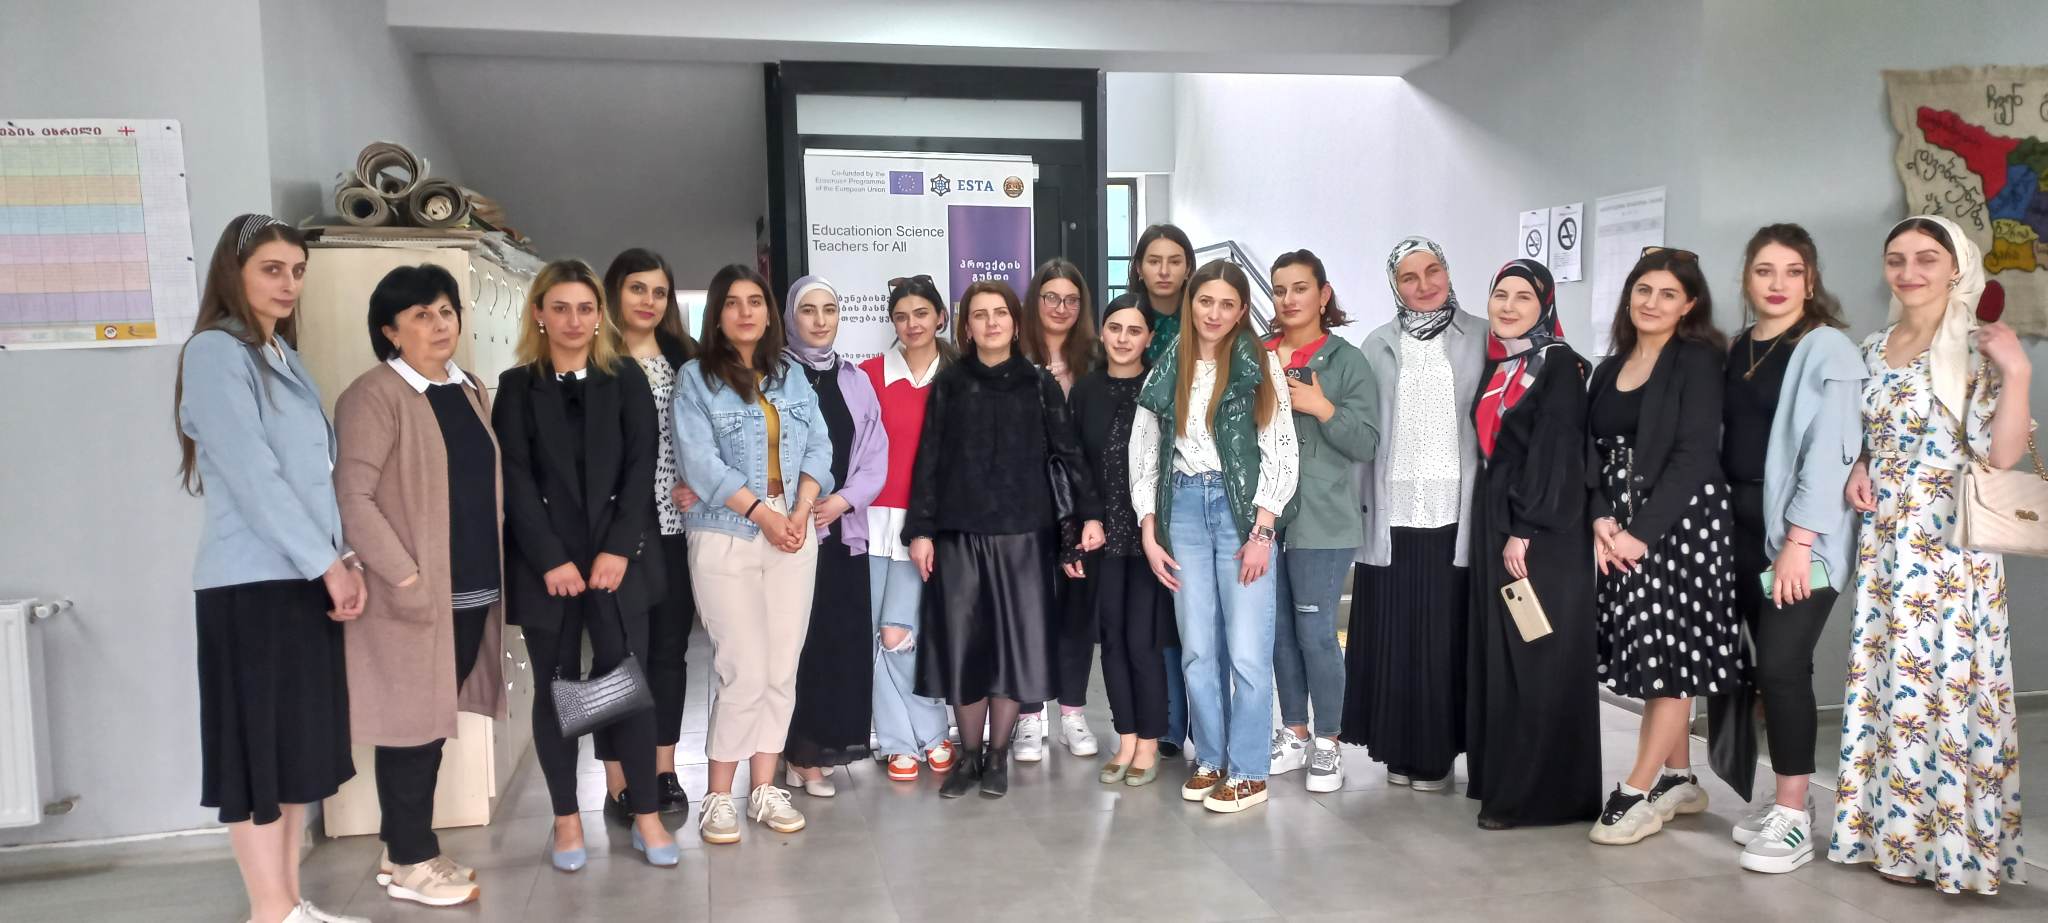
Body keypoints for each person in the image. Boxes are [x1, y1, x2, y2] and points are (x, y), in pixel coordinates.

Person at [175, 214, 366, 923]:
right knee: (258, 759)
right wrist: (328, 564)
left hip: (299, 579)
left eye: (297, 270)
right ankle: (269, 910)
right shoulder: (215, 353)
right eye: (272, 269)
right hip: (250, 585)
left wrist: (340, 557)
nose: (288, 284)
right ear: (235, 272)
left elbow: (315, 477)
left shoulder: (282, 354)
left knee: (291, 754)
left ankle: (288, 904)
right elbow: (256, 478)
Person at [1831, 216, 2031, 894]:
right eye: (1896, 259)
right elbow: (1865, 435)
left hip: (1951, 544)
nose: (1909, 271)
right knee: (1891, 681)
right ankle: (1890, 840)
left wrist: (2018, 371)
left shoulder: (1977, 345)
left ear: (1956, 266)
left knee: (1945, 686)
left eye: (1926, 258)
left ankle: (1953, 850)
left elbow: (2002, 455)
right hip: (1886, 541)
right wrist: (1859, 464)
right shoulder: (1872, 346)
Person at [493, 260, 677, 870]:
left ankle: (646, 814)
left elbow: (641, 467)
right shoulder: (516, 387)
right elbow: (516, 480)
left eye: (585, 308)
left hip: (619, 564)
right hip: (547, 569)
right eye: (561, 308)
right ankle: (567, 821)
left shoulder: (624, 379)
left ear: (600, 316)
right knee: (559, 691)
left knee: (627, 687)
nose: (574, 320)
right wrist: (551, 559)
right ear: (539, 314)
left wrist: (618, 549)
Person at [334, 264, 506, 907]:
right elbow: (352, 498)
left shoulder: (467, 387)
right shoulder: (374, 396)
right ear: (390, 330)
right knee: (410, 726)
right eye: (421, 315)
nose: (439, 325)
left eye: (446, 311)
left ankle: (403, 846)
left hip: (470, 587)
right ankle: (410, 859)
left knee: (429, 725)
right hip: (413, 597)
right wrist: (405, 576)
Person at [905, 280, 1103, 799]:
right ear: (966, 326)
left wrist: (1086, 518)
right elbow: (929, 460)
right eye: (980, 314)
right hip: (958, 535)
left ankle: (997, 757)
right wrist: (921, 529)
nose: (991, 323)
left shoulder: (1038, 384)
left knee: (1013, 649)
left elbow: (1068, 455)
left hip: (1023, 536)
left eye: (1000, 313)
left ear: (1016, 323)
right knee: (964, 646)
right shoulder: (950, 383)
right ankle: (969, 755)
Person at [1717, 225, 1864, 874]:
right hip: (1739, 527)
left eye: (1793, 271)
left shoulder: (1827, 347)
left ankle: (1796, 816)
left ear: (1811, 280)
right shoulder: (1739, 346)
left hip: (1803, 534)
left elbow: (1832, 452)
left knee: (1781, 665)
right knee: (1769, 670)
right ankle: (1785, 800)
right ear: (1746, 279)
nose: (1778, 284)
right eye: (1764, 271)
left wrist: (1800, 543)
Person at [672, 264, 836, 842]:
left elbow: (819, 446)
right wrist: (763, 515)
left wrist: (800, 510)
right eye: (733, 303)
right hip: (727, 529)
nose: (746, 312)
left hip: (792, 527)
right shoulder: (696, 379)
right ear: (717, 315)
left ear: (770, 313)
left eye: (756, 301)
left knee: (781, 668)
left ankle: (764, 788)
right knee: (741, 668)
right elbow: (699, 463)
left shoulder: (791, 375)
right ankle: (718, 796)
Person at [1585, 248, 1741, 846]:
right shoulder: (1609, 367)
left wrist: (1639, 533)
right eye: (1644, 290)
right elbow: (1589, 451)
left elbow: (1695, 454)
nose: (1652, 302)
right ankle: (1678, 779)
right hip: (1620, 528)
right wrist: (1601, 517)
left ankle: (1635, 792)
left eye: (1668, 294)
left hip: (1682, 527)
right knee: (1655, 653)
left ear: (1689, 305)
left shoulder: (1697, 361)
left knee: (1671, 658)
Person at [1133, 259, 1298, 814]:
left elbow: (1281, 449)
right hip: (1181, 509)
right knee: (1198, 651)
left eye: (1228, 304)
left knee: (1247, 652)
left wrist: (1263, 530)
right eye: (1206, 301)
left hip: (1240, 511)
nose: (1215, 313)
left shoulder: (1259, 363)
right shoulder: (1169, 363)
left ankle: (1248, 771)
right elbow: (1144, 452)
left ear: (1242, 310)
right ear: (1191, 302)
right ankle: (1210, 759)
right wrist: (1150, 529)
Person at [1340, 237, 1485, 793]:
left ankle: (1437, 754)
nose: (1423, 285)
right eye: (1409, 276)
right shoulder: (1377, 343)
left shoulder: (1482, 337)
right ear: (1394, 284)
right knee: (1395, 637)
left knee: (1444, 638)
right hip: (1391, 510)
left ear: (1448, 272)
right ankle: (1398, 750)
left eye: (1433, 271)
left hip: (1455, 511)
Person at [1463, 258, 1600, 831]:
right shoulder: (1503, 362)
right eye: (1501, 294)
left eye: (1524, 296)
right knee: (1504, 654)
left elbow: (1558, 452)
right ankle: (1501, 778)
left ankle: (1538, 796)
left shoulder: (1559, 364)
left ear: (1544, 305)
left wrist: (1525, 529)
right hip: (1499, 519)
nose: (1509, 306)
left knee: (1536, 652)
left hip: (1540, 530)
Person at [1262, 250, 1379, 794]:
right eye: (1280, 289)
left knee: (1314, 633)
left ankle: (1329, 741)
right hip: (1265, 517)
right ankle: (1294, 731)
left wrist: (1321, 406)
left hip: (1322, 520)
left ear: (1323, 294)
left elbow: (1366, 443)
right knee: (1279, 633)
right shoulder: (1257, 354)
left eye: (1300, 288)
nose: (1289, 299)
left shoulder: (1346, 361)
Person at [598, 247, 697, 822]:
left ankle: (663, 771)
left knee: (669, 654)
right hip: (616, 535)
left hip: (676, 529)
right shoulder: (597, 358)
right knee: (613, 659)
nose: (649, 301)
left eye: (659, 292)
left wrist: (699, 485)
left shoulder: (686, 358)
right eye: (638, 289)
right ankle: (617, 779)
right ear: (615, 292)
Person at [780, 276, 886, 796]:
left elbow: (875, 455)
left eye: (829, 310)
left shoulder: (855, 379)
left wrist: (842, 502)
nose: (820, 321)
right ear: (790, 317)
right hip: (789, 531)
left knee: (838, 642)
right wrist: (802, 507)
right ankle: (792, 751)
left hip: (843, 531)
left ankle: (817, 749)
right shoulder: (773, 375)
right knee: (794, 645)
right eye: (808, 310)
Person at [858, 275, 960, 783]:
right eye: (901, 316)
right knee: (871, 637)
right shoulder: (867, 375)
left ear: (940, 317)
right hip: (867, 519)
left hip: (927, 523)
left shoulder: (959, 376)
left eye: (921, 313)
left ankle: (932, 731)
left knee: (900, 634)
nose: (912, 324)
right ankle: (901, 741)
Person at [1069, 299, 1169, 786]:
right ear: (1102, 334)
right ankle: (1125, 737)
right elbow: (1074, 463)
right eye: (1115, 328)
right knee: (1110, 640)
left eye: (1134, 330)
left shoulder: (1161, 387)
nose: (1124, 338)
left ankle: (1149, 742)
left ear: (1149, 337)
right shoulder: (1086, 391)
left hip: (1150, 535)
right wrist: (1086, 521)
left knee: (1141, 641)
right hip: (1102, 534)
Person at [1108, 225, 1198, 755]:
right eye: (1154, 260)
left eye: (1175, 260)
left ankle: (1200, 723)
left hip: (1191, 483)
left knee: (1190, 616)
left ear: (1188, 267)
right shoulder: (1129, 320)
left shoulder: (1201, 320)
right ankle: (1166, 724)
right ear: (1138, 266)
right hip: (1133, 496)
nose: (1164, 270)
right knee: (1155, 623)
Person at [1016, 258, 1103, 761]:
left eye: (1072, 299)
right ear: (1035, 302)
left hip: (1083, 507)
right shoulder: (1011, 357)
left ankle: (1072, 712)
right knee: (1027, 612)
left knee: (1076, 613)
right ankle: (1029, 716)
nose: (1061, 308)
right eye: (1051, 297)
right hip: (1025, 508)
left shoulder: (1094, 359)